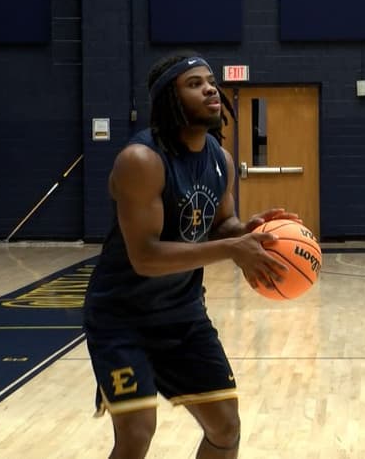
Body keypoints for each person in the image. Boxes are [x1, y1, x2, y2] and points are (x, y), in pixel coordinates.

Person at [83, 51, 299, 459]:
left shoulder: (220, 159)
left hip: (182, 314)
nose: (211, 90)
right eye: (195, 84)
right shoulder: (141, 161)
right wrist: (230, 248)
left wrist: (249, 232)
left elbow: (222, 223)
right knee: (136, 433)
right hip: (122, 319)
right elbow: (145, 257)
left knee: (226, 427)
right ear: (170, 98)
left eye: (211, 82)